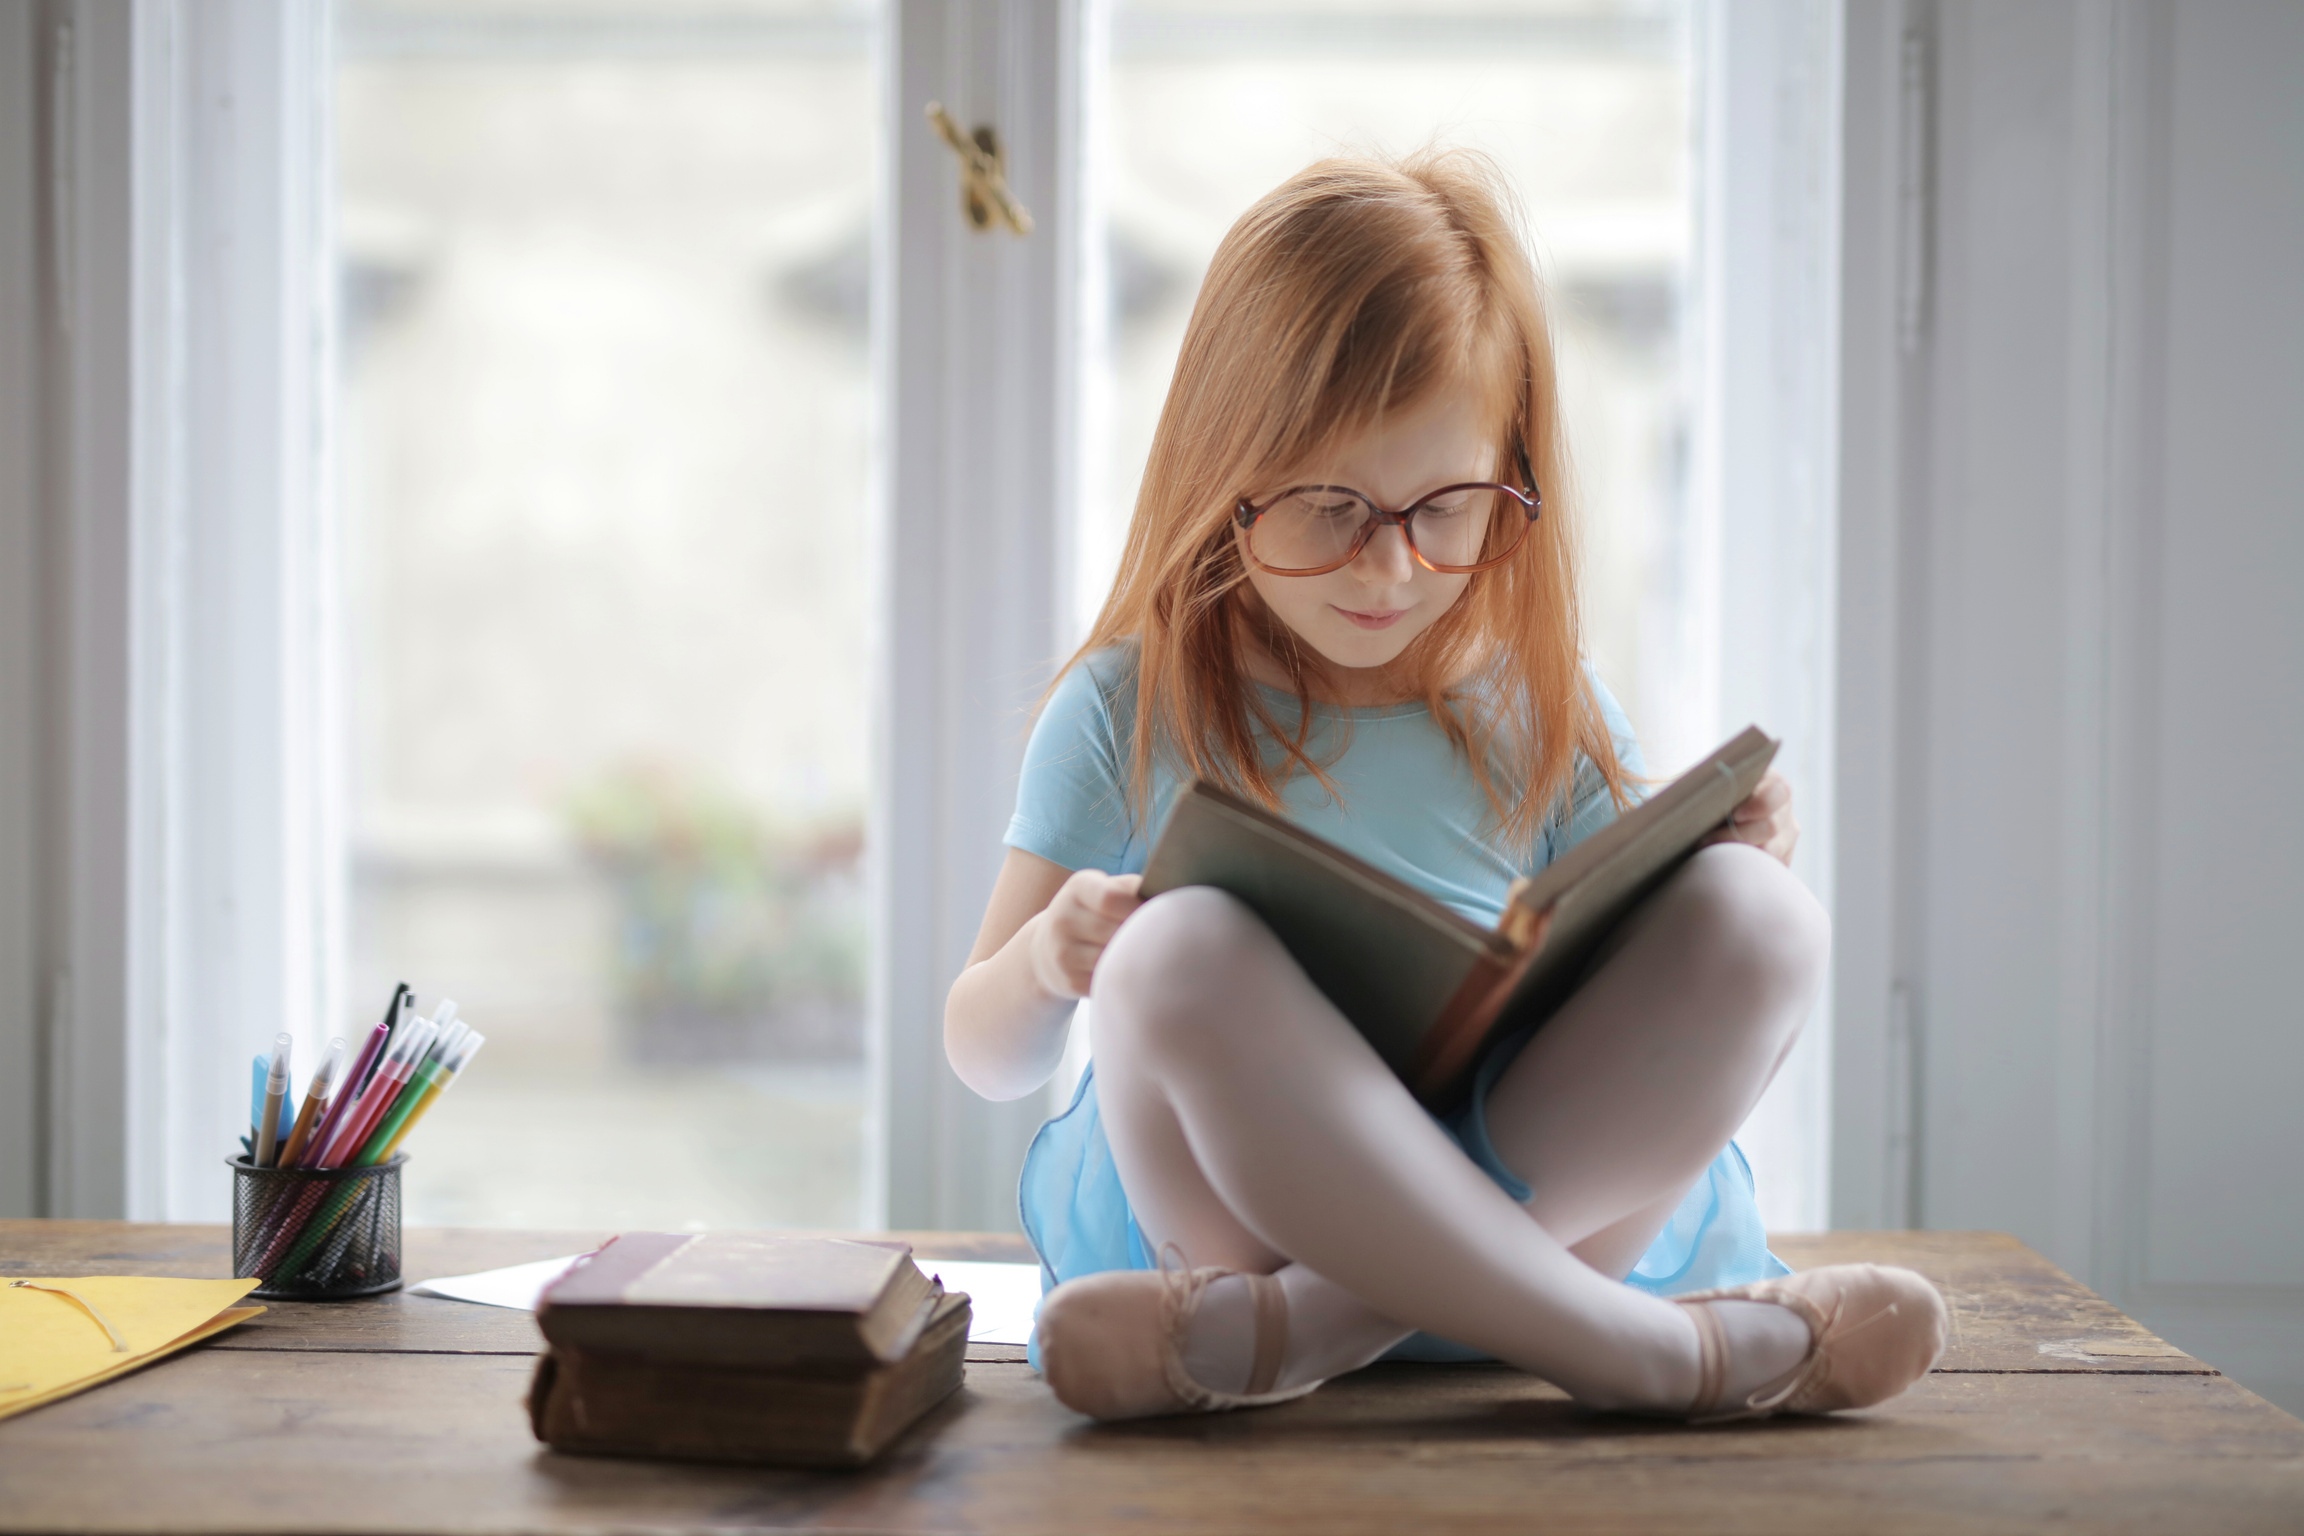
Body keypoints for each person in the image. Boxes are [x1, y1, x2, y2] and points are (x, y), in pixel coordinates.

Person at [944, 150, 1945, 1424]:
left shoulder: (1537, 696)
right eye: (1326, 509)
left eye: (1449, 509)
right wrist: (1048, 962)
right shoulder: (1130, 706)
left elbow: (1647, 961)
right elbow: (980, 1053)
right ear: (1222, 474)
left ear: (1510, 482)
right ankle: (1647, 1357)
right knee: (1170, 953)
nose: (1393, 569)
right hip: (1236, 1227)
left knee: (1762, 916)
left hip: (1499, 1228)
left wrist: (1728, 851)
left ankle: (1317, 1330)